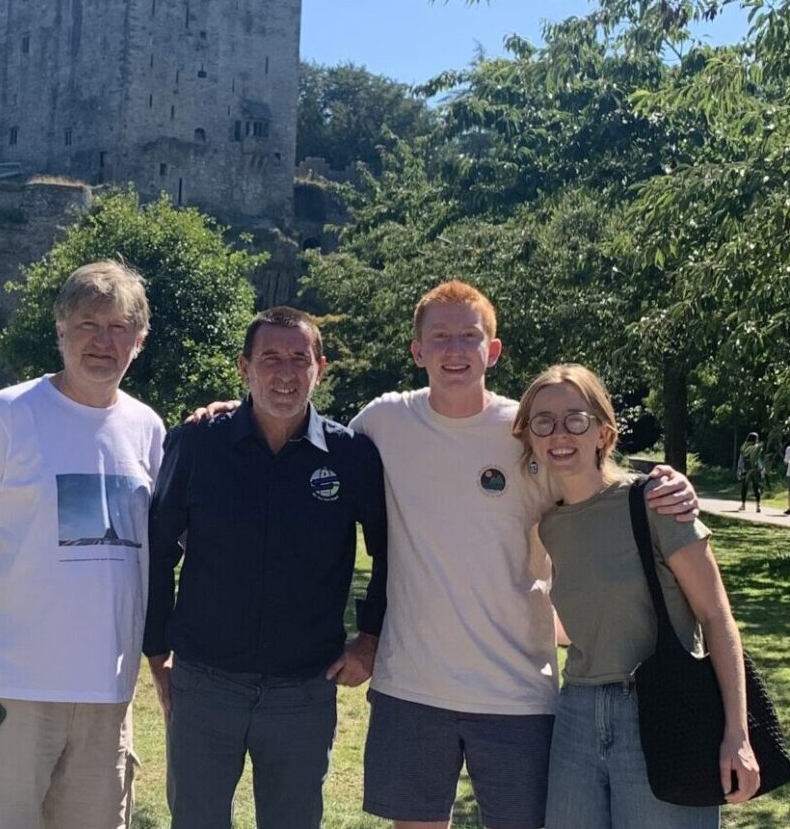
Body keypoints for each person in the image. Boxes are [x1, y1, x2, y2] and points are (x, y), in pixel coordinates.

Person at [194, 281, 699, 829]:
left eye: (469, 336)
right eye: (439, 337)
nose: (454, 350)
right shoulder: (384, 423)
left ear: (493, 349)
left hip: (516, 690)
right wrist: (239, 412)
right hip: (412, 688)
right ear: (417, 350)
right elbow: (306, 436)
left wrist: (663, 483)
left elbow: (593, 481)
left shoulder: (526, 432)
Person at [0, 261, 167, 829]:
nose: (102, 342)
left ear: (139, 339)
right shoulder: (9, 415)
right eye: (87, 326)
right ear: (60, 331)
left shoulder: (149, 429)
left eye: (119, 327)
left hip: (109, 699)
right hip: (10, 692)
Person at [144, 307, 388, 829]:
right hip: (206, 684)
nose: (285, 372)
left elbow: (389, 553)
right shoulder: (198, 443)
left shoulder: (351, 456)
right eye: (270, 357)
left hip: (304, 688)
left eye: (299, 359)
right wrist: (157, 652)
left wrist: (370, 638)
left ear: (320, 368)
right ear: (244, 367)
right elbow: (158, 551)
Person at [513, 363, 761, 827]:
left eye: (575, 419)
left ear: (603, 434)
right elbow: (581, 621)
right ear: (529, 436)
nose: (559, 433)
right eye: (543, 421)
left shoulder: (656, 502)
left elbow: (716, 616)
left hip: (661, 710)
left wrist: (737, 733)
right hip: (577, 712)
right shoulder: (548, 526)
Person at [735, 432, 766, 513]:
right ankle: (758, 506)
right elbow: (759, 460)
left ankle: (743, 505)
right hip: (756, 469)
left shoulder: (744, 447)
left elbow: (741, 459)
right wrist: (762, 469)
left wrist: (739, 469)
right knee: (756, 487)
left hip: (746, 469)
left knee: (744, 487)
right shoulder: (757, 447)